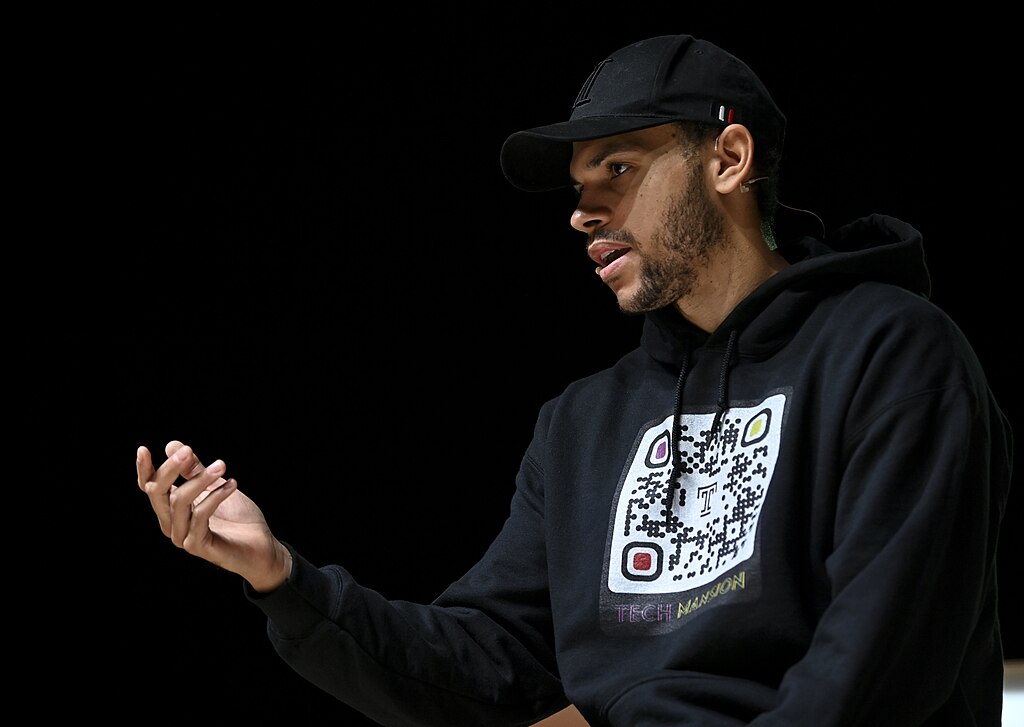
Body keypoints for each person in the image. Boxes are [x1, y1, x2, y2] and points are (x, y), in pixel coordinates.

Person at [136, 33, 1013, 726]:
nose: (582, 211)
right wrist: (284, 577)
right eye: (579, 183)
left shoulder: (894, 354)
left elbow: (874, 664)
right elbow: (490, 659)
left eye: (619, 169)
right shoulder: (583, 423)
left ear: (730, 159)